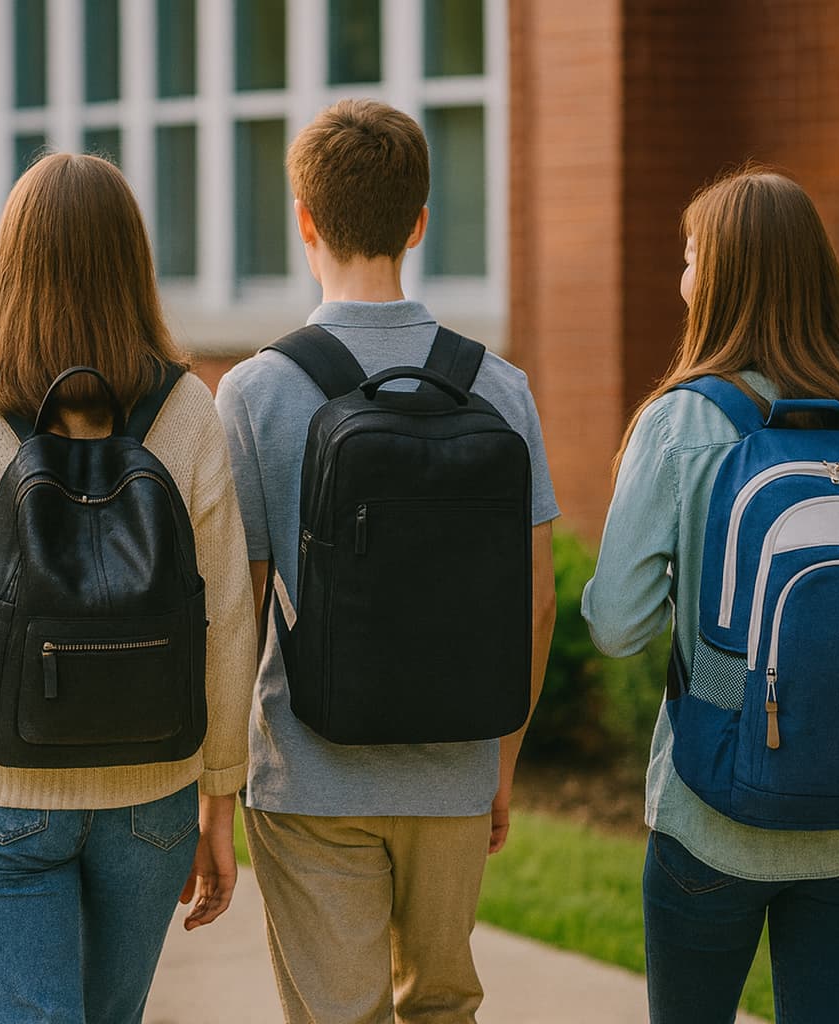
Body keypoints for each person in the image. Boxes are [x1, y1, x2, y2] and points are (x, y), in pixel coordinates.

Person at [0, 152, 258, 1024]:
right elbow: (229, 616)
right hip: (153, 791)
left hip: (0, 785)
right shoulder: (186, 410)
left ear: (10, 265)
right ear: (134, 264)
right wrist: (220, 797)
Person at [581, 169, 839, 1023]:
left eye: (688, 259)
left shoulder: (683, 424)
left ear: (716, 281)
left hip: (712, 813)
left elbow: (615, 625)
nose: (680, 278)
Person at [214, 99, 560, 1023]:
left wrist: (218, 784)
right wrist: (502, 766)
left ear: (305, 221)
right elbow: (535, 604)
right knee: (443, 1006)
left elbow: (238, 615)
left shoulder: (252, 393)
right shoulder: (499, 385)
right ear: (418, 222)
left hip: (308, 771)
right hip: (454, 768)